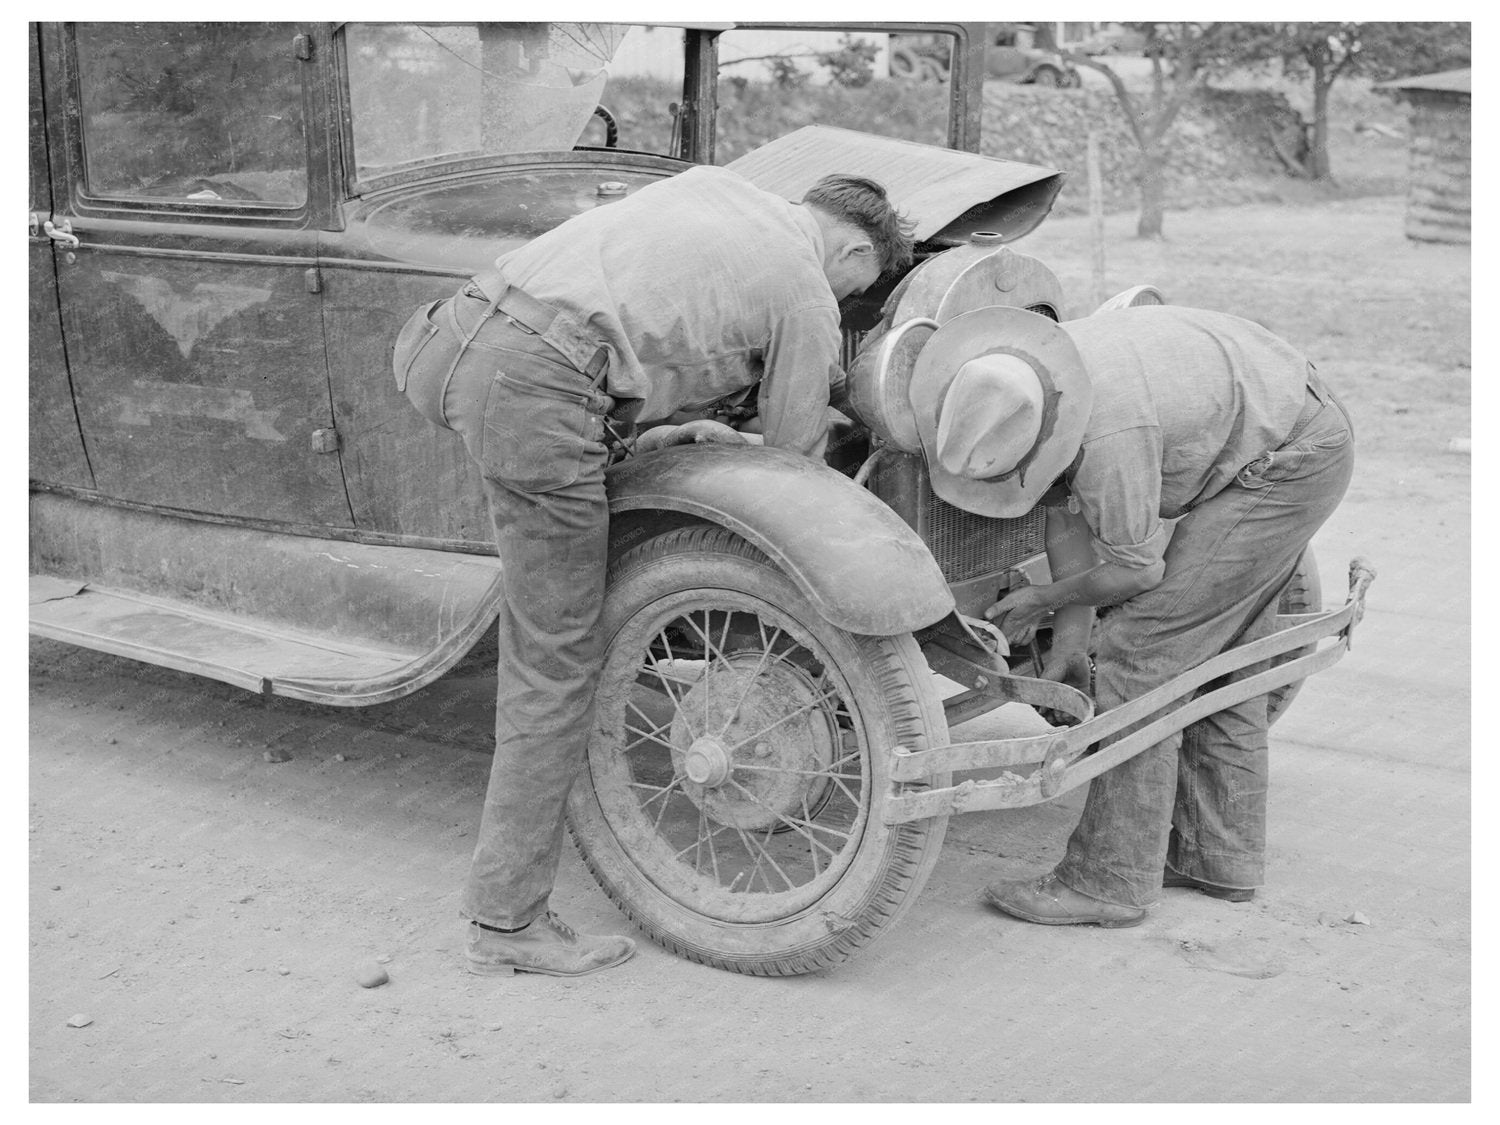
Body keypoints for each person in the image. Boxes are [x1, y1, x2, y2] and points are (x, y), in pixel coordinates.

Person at [392, 166, 914, 975]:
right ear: (849, 249)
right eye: (860, 286)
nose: (849, 301)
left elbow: (635, 310)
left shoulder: (720, 188)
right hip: (536, 387)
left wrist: (631, 440)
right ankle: (506, 924)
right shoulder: (806, 285)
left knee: (560, 531)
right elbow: (790, 467)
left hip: (451, 335)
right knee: (556, 657)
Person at [913, 303, 1355, 928]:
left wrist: (1044, 599)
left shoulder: (1108, 435)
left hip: (1287, 463)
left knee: (1141, 654)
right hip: (1287, 421)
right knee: (1218, 660)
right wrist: (1070, 636)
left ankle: (1107, 882)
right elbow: (1068, 509)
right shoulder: (1040, 373)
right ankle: (1215, 859)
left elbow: (1136, 570)